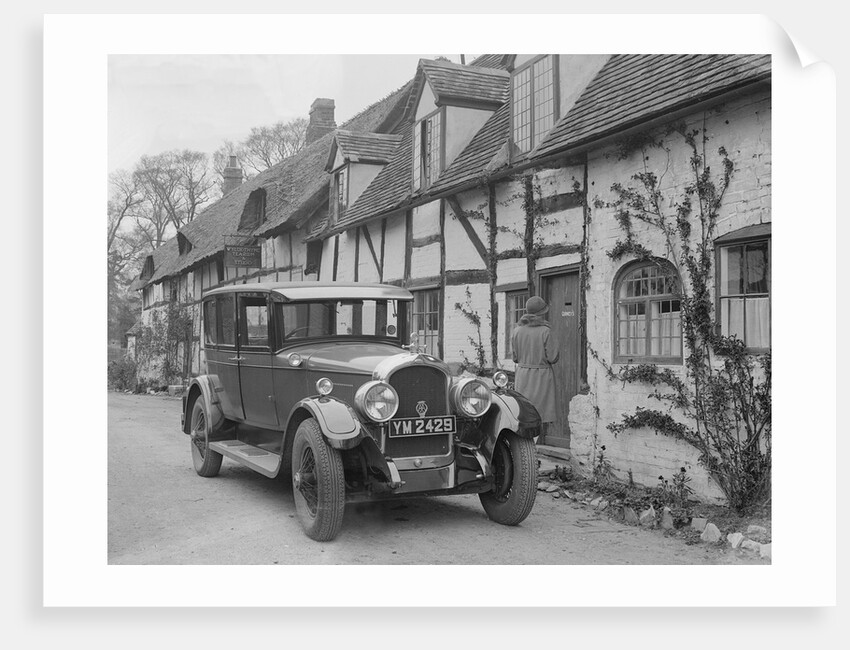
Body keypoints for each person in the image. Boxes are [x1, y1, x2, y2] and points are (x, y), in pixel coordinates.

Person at [511, 296, 559, 440]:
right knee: (540, 413)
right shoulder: (546, 331)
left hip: (522, 375)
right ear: (542, 312)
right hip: (541, 376)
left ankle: (526, 445)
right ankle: (536, 446)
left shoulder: (517, 330)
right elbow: (552, 357)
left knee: (524, 412)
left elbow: (515, 357)